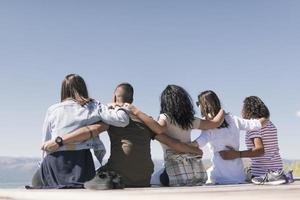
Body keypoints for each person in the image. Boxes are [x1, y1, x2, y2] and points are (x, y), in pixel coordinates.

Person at [42, 83, 201, 188]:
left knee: (88, 180)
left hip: (119, 174)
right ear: (132, 100)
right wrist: (196, 151)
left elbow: (92, 130)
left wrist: (59, 140)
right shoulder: (146, 121)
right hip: (144, 177)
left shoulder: (111, 117)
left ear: (114, 97)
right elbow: (173, 143)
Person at [34, 74, 130, 189]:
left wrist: (42, 167)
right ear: (83, 88)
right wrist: (117, 106)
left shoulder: (53, 110)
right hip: (80, 162)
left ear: (63, 90)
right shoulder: (93, 106)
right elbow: (123, 120)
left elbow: (46, 143)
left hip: (54, 163)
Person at [125, 85, 225, 186]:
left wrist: (136, 111)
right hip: (192, 173)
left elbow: (158, 128)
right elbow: (214, 123)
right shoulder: (190, 120)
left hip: (173, 173)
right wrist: (221, 110)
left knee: (150, 182)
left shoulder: (166, 117)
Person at [191, 91, 267, 184]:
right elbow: (258, 124)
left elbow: (198, 143)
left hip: (219, 178)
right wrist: (266, 116)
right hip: (238, 176)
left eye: (198, 103)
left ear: (204, 105)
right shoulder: (233, 119)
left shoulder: (208, 126)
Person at [219, 96, 285, 185]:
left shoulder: (254, 125)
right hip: (277, 170)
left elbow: (259, 150)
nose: (241, 111)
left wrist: (236, 154)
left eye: (243, 108)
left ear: (248, 109)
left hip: (261, 173)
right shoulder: (269, 123)